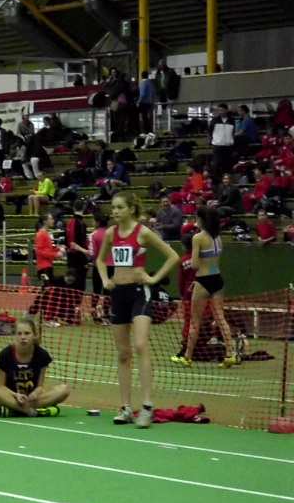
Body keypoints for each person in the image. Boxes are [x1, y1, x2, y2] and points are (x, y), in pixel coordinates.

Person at [96, 192, 179, 428]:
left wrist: (153, 278)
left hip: (139, 293)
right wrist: (105, 279)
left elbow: (172, 256)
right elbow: (100, 260)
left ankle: (147, 406)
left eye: (120, 207)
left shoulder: (142, 232)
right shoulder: (111, 233)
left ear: (131, 209)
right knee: (123, 353)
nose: (115, 211)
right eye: (113, 207)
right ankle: (125, 408)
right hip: (118, 294)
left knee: (141, 345)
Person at [171, 208, 236, 368]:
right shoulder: (218, 237)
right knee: (220, 318)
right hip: (217, 279)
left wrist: (198, 258)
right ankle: (230, 354)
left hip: (203, 281)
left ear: (202, 220)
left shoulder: (198, 238)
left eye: (197, 218)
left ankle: (187, 357)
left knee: (195, 321)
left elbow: (194, 264)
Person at [0, 319, 71, 417]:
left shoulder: (42, 355)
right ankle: (29, 410)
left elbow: (40, 386)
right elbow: (1, 387)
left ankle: (14, 410)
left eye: (27, 333)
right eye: (19, 334)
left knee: (64, 389)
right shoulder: (5, 354)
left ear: (34, 335)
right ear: (15, 336)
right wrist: (16, 395)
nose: (23, 337)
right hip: (11, 398)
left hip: (32, 400)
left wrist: (35, 393)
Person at [65, 200, 89, 292]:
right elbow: (73, 244)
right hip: (77, 259)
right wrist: (85, 253)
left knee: (75, 285)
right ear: (83, 208)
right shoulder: (78, 223)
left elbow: (69, 243)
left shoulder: (71, 222)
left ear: (74, 208)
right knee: (78, 285)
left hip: (74, 258)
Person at [209, 103, 235, 182]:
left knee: (227, 165)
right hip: (217, 146)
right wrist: (212, 141)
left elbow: (233, 132)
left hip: (228, 146)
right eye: (219, 110)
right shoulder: (214, 120)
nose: (221, 112)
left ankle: (227, 181)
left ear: (226, 110)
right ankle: (216, 182)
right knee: (216, 164)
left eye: (222, 110)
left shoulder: (231, 120)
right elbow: (210, 132)